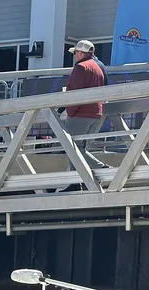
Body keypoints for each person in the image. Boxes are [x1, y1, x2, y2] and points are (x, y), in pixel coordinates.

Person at [58, 39, 108, 192]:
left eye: (75, 53)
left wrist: (69, 112)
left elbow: (75, 94)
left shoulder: (81, 67)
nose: (74, 56)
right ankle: (76, 183)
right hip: (95, 113)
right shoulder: (98, 67)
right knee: (79, 148)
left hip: (80, 114)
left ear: (80, 53)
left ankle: (104, 169)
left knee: (73, 149)